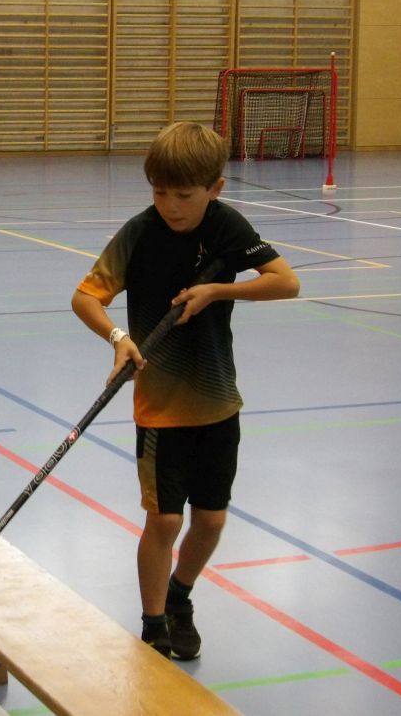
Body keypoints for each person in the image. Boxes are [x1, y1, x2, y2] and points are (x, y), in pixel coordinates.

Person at [71, 121, 300, 661]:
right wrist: (119, 338)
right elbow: (86, 297)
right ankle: (154, 623)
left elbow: (286, 282)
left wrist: (217, 290)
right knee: (166, 519)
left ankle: (179, 597)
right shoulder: (139, 233)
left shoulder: (226, 226)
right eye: (159, 192)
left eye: (183, 195)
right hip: (160, 409)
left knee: (211, 520)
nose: (169, 206)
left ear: (214, 188)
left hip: (219, 402)